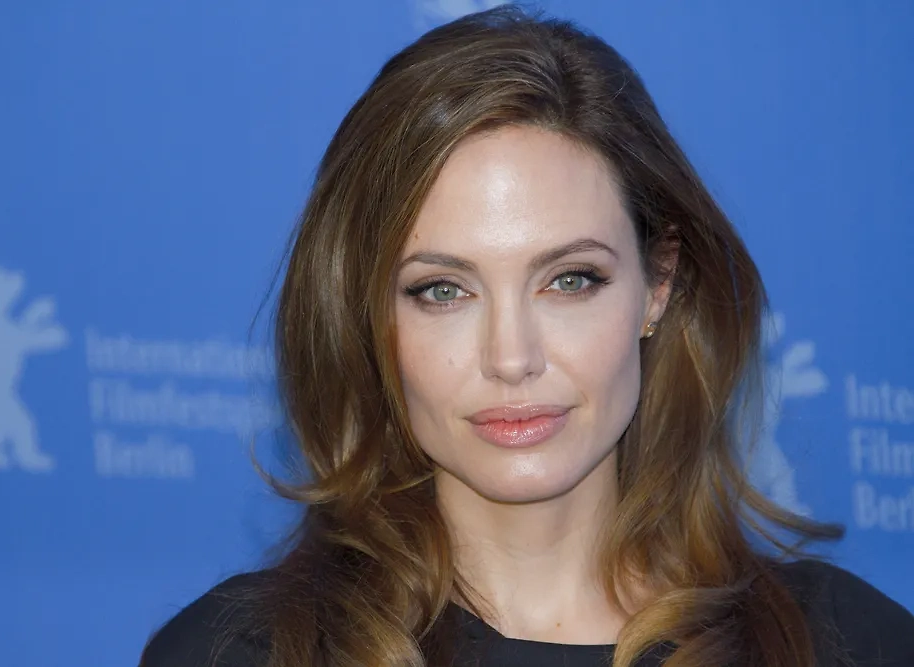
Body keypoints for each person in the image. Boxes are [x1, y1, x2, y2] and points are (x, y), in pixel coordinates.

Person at [139, 6, 914, 666]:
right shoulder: (243, 651)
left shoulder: (843, 643)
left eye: (569, 280)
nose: (512, 357)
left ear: (659, 282)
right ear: (367, 316)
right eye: (443, 290)